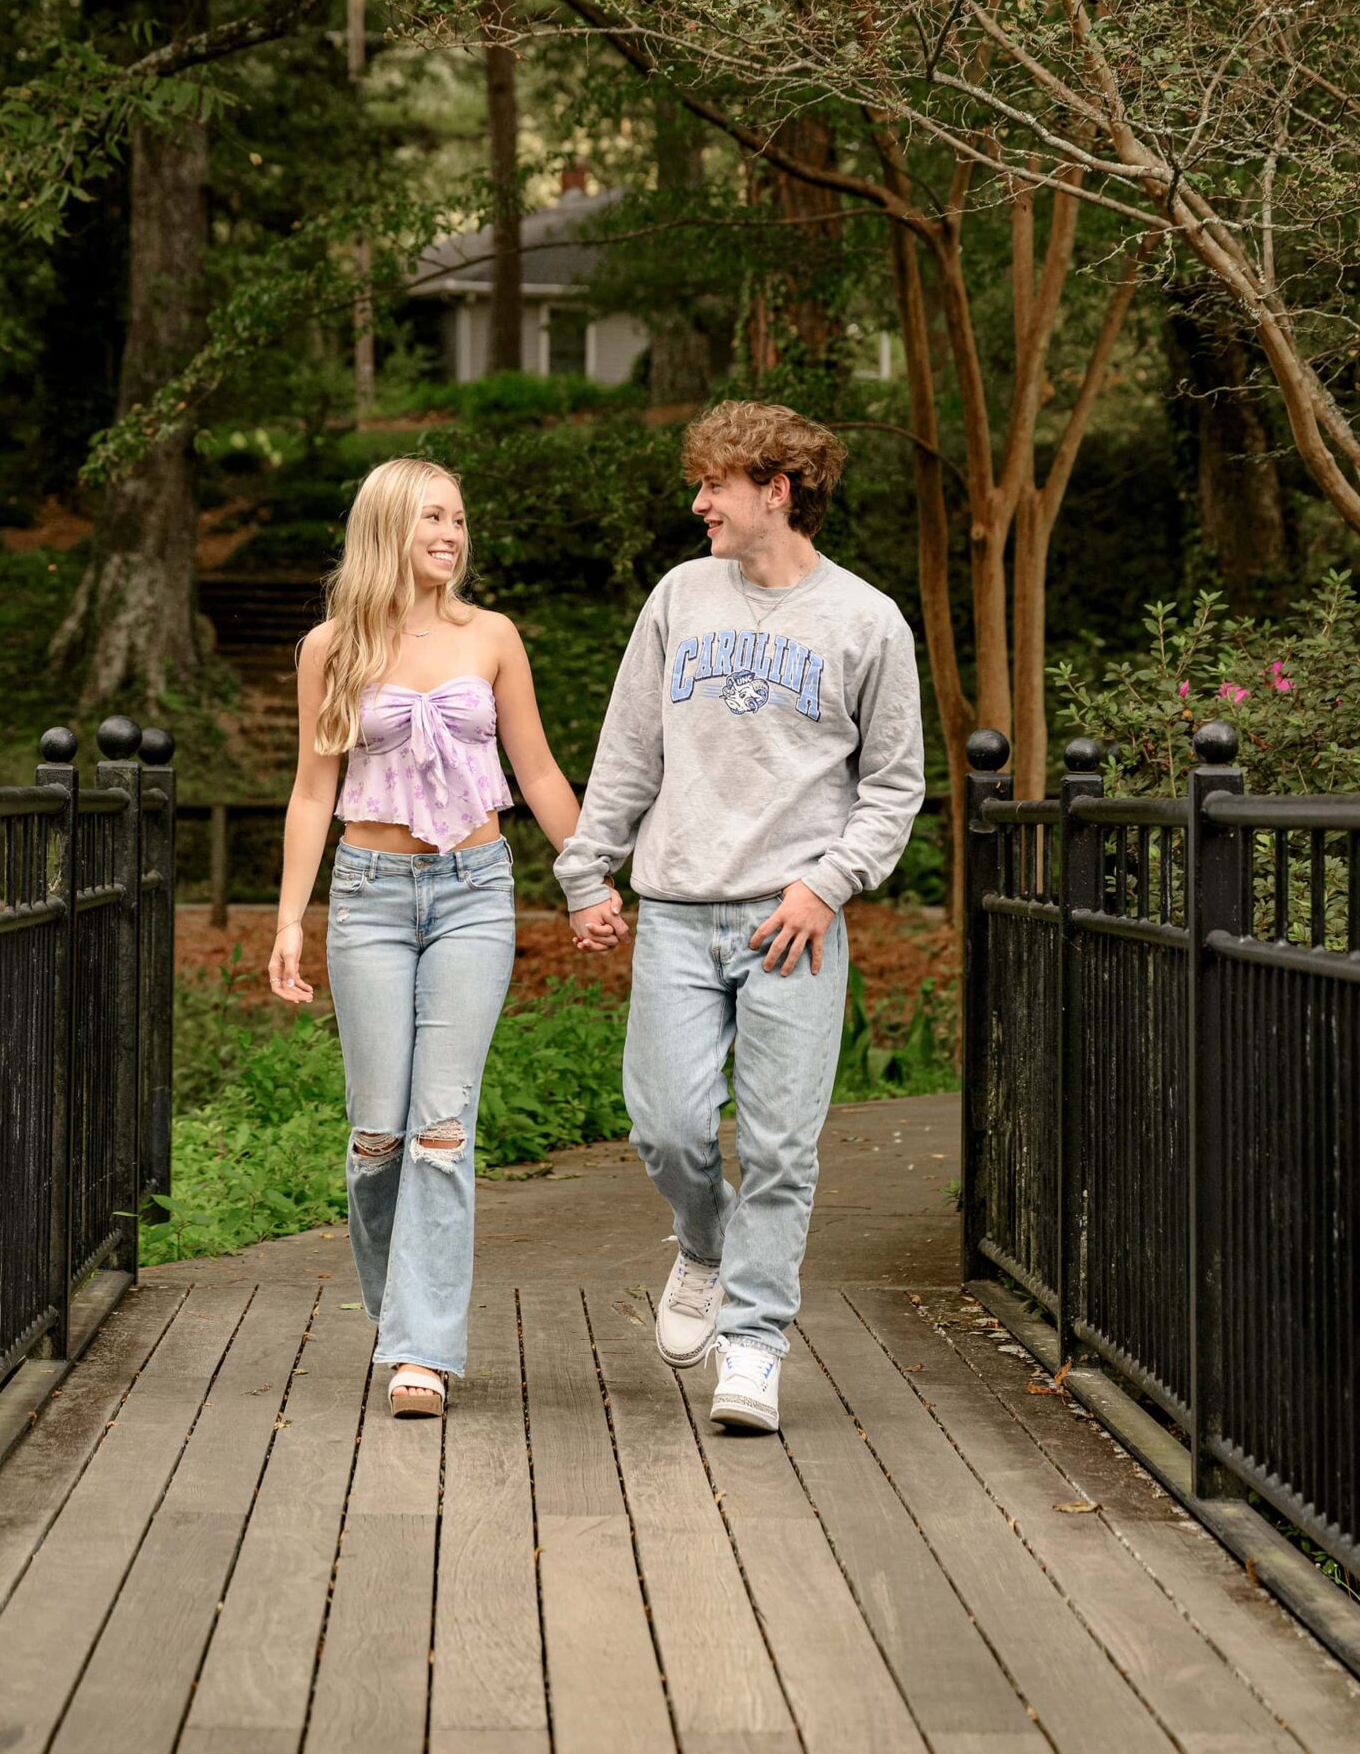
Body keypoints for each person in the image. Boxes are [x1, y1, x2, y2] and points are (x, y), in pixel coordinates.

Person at [554, 401, 923, 1433]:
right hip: (675, 910)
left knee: (778, 1145)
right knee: (668, 1128)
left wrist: (827, 884)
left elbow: (892, 789)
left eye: (715, 483)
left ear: (778, 488)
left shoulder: (865, 621)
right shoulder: (678, 598)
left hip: (792, 920)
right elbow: (627, 751)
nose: (697, 501)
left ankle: (753, 1346)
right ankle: (704, 1247)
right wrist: (588, 871)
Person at [268, 456, 609, 1421]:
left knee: (441, 1130)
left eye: (458, 518)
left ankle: (423, 1349)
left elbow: (538, 773)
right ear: (387, 527)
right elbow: (312, 790)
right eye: (431, 519)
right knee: (378, 1135)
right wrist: (291, 918)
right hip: (369, 897)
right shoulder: (330, 647)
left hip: (473, 892)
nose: (451, 535)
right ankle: (402, 1316)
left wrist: (586, 882)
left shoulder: (492, 636)